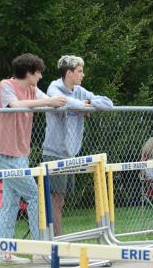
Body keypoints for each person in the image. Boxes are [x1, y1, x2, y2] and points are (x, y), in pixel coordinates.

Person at [0, 53, 68, 263]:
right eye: (39, 72)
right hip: (5, 155)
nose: (41, 76)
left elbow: (51, 102)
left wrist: (82, 104)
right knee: (36, 196)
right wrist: (49, 101)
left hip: (21, 155)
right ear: (29, 72)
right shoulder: (6, 85)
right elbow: (15, 105)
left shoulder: (33, 90)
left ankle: (3, 252)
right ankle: (39, 248)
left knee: (10, 204)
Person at [43, 55, 114, 236]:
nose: (83, 74)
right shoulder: (54, 86)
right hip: (54, 153)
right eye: (80, 71)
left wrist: (87, 104)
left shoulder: (80, 91)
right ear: (69, 73)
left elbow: (108, 103)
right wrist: (78, 105)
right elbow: (59, 100)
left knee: (62, 200)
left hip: (71, 153)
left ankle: (58, 238)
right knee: (55, 200)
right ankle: (57, 242)